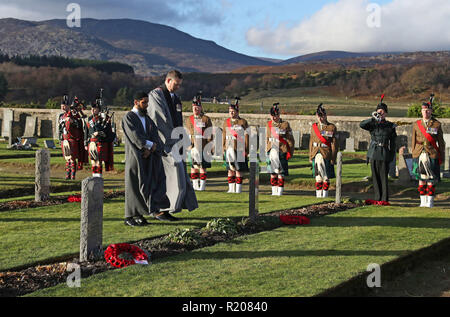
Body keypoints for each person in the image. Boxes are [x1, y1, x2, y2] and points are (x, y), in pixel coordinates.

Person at [147, 70, 198, 221]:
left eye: (180, 85)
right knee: (167, 176)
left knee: (177, 176)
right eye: (176, 84)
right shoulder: (156, 95)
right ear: (168, 81)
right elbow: (159, 120)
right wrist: (171, 140)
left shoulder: (175, 98)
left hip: (174, 143)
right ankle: (159, 210)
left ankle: (167, 208)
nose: (178, 87)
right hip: (164, 144)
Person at [121, 91, 170, 227]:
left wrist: (154, 147)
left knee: (148, 184)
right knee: (134, 186)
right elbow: (135, 137)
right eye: (144, 102)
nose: (146, 105)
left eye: (147, 102)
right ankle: (130, 215)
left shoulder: (146, 118)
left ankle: (146, 212)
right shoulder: (129, 117)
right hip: (135, 157)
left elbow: (154, 134)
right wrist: (149, 146)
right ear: (136, 102)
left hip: (148, 157)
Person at [360, 95, 397, 204]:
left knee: (383, 177)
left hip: (384, 152)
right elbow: (361, 125)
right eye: (378, 112)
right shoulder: (373, 124)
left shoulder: (390, 126)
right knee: (375, 177)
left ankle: (384, 199)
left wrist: (391, 155)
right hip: (374, 152)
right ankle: (377, 198)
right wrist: (373, 117)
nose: (380, 114)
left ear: (386, 113)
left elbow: (393, 143)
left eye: (382, 112)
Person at [411, 95, 445, 208]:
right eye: (424, 110)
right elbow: (413, 141)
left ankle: (430, 202)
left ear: (431, 111)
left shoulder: (437, 124)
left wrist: (441, 156)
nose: (426, 112)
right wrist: (413, 154)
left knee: (431, 178)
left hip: (432, 153)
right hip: (419, 153)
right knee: (421, 179)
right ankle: (422, 201)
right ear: (421, 111)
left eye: (428, 110)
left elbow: (441, 142)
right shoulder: (416, 124)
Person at [309, 104, 338, 198]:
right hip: (315, 152)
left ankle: (324, 195)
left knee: (325, 177)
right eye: (319, 116)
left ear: (325, 116)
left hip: (326, 153)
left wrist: (333, 158)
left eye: (322, 116)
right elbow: (311, 142)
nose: (321, 118)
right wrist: (310, 156)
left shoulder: (331, 127)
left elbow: (334, 144)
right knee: (317, 176)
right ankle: (318, 196)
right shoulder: (314, 127)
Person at [185, 95, 213, 191]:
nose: (195, 109)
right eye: (194, 107)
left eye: (197, 107)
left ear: (201, 108)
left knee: (203, 167)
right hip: (192, 146)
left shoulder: (206, 119)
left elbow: (209, 134)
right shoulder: (189, 119)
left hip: (204, 145)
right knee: (193, 167)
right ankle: (195, 185)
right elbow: (188, 133)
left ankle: (202, 186)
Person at [266, 103, 295, 196]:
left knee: (280, 172)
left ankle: (280, 192)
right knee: (272, 172)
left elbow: (290, 139)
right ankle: (274, 192)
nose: (274, 118)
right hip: (271, 149)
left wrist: (290, 151)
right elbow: (266, 138)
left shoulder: (285, 124)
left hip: (282, 149)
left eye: (276, 115)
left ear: (279, 115)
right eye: (272, 116)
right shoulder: (268, 124)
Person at [222, 97, 249, 194]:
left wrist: (247, 149)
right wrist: (223, 148)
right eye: (230, 111)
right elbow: (224, 136)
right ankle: (231, 188)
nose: (231, 113)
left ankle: (238, 189)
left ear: (237, 112)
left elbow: (247, 136)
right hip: (229, 148)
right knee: (230, 170)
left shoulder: (243, 122)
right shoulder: (226, 122)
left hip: (239, 148)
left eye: (233, 111)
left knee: (238, 170)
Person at [85, 102, 115, 177]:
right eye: (92, 108)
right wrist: (85, 143)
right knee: (93, 161)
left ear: (98, 109)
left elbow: (107, 131)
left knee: (98, 162)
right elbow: (86, 131)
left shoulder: (104, 118)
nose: (92, 110)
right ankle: (94, 177)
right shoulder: (89, 119)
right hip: (91, 143)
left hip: (100, 142)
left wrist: (98, 132)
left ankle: (98, 178)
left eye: (94, 108)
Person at [61, 97, 88, 180]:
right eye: (61, 106)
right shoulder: (61, 116)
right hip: (65, 139)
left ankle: (73, 176)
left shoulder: (74, 115)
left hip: (72, 139)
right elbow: (60, 129)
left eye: (64, 106)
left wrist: (73, 121)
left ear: (68, 106)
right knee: (67, 158)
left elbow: (80, 125)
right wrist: (60, 139)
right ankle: (67, 175)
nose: (62, 107)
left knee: (72, 158)